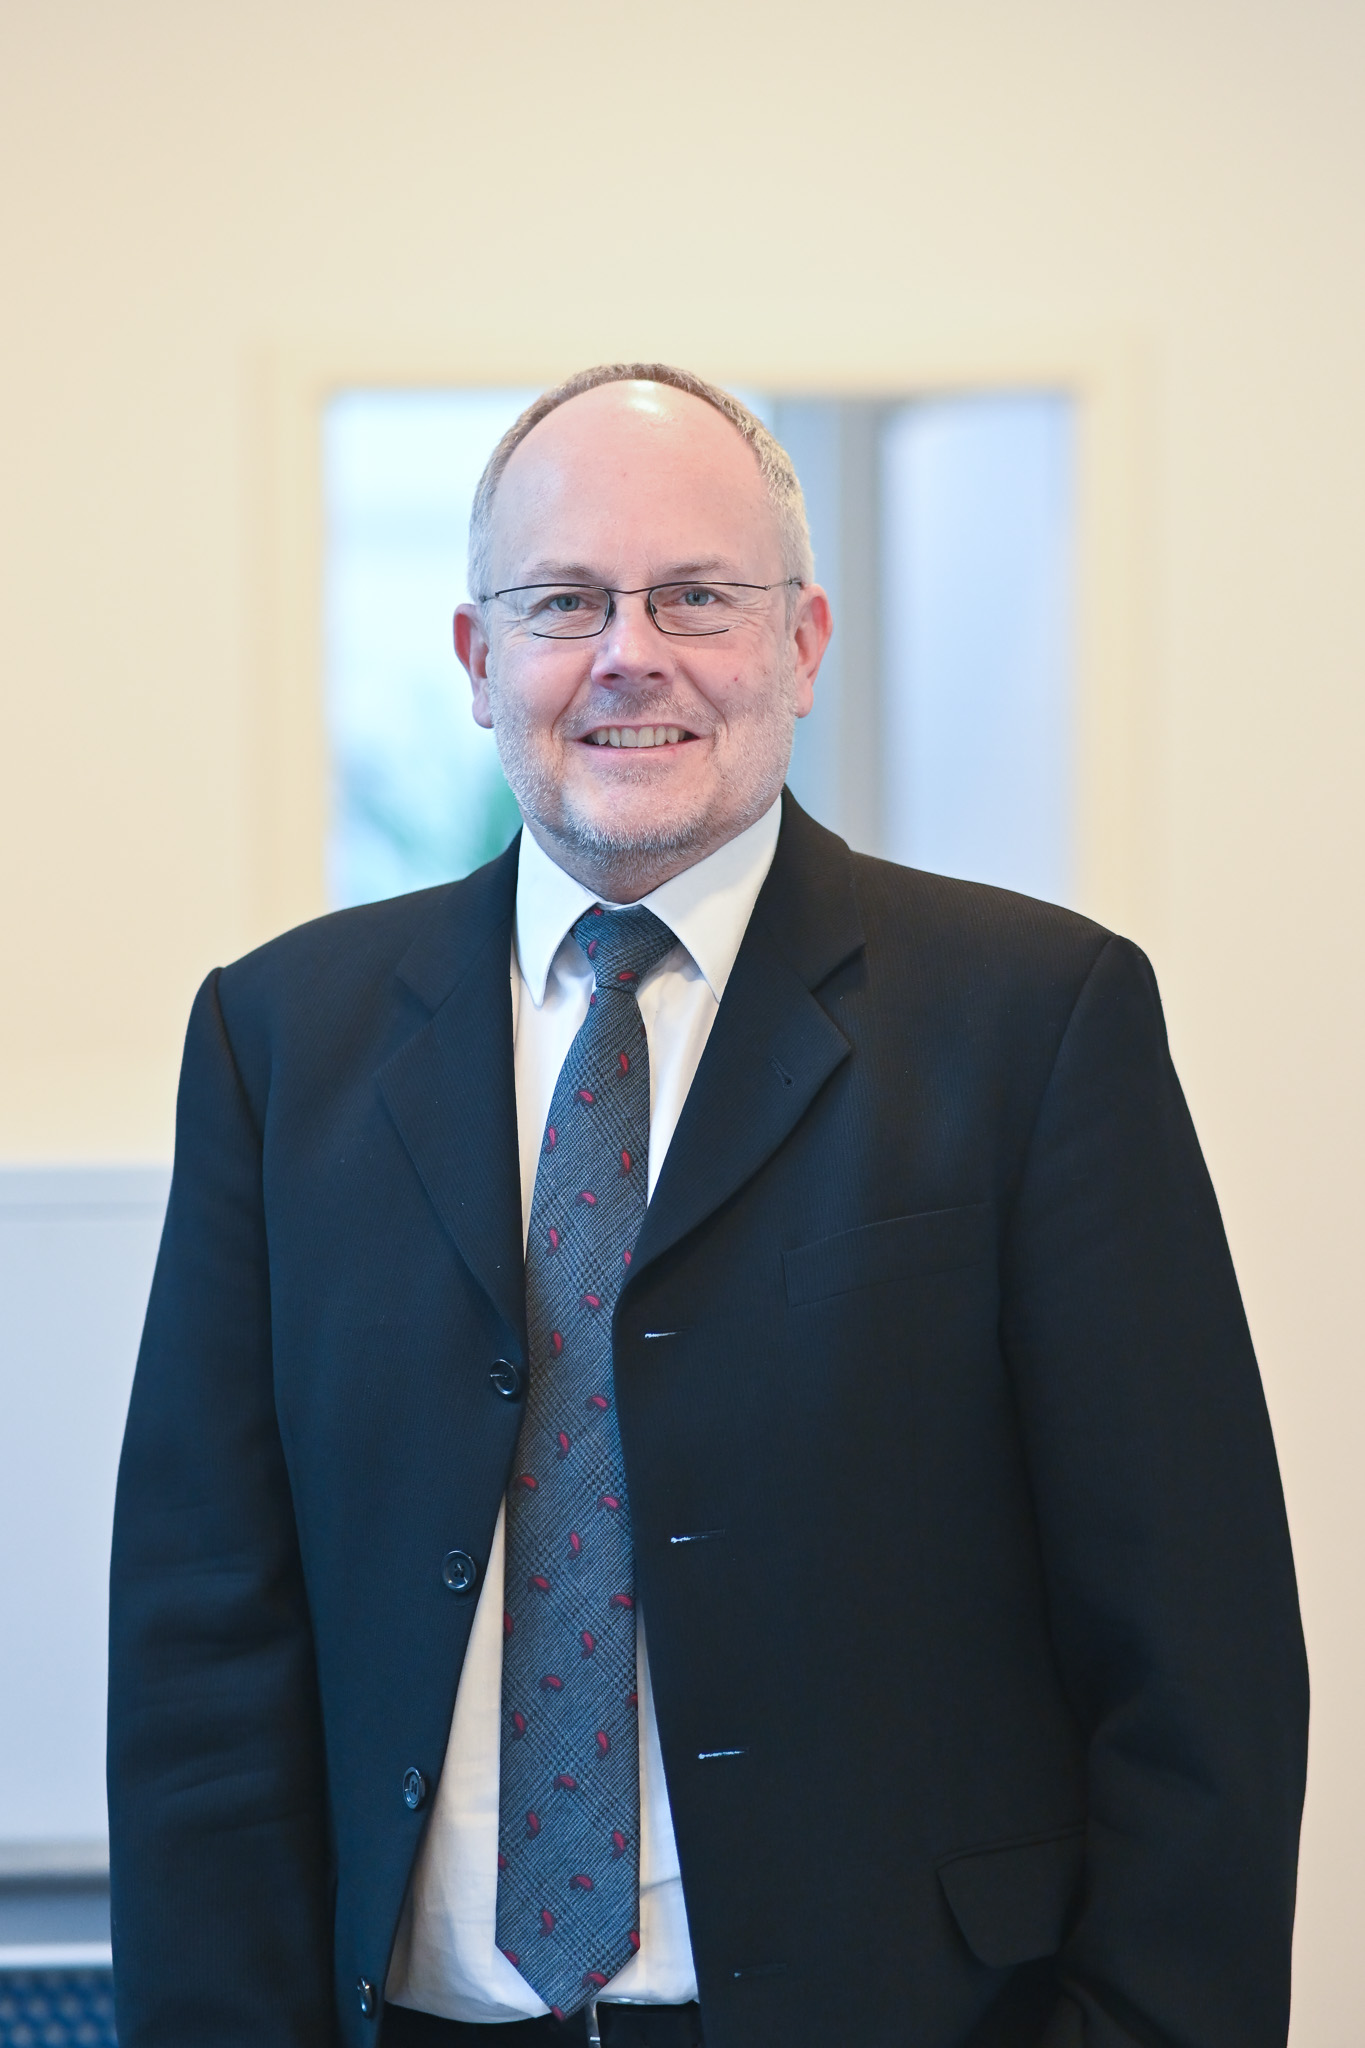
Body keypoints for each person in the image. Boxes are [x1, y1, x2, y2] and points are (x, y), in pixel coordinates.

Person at [107, 364, 1308, 2048]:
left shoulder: (1034, 1025)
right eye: (562, 602)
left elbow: (1195, 1655)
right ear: (476, 660)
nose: (628, 654)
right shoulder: (280, 1041)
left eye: (695, 597)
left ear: (800, 644)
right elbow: (200, 1652)